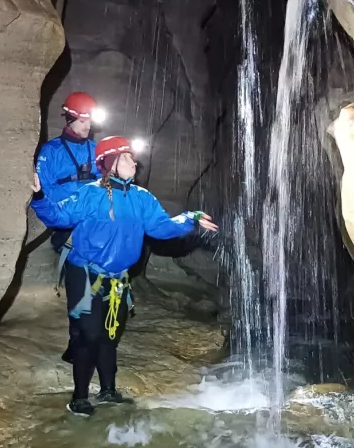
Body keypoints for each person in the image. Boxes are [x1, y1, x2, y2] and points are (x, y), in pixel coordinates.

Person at [30, 136, 219, 416]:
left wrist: (190, 218)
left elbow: (162, 228)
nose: (134, 162)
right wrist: (39, 197)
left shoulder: (142, 198)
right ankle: (79, 397)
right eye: (127, 157)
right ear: (109, 163)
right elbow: (59, 217)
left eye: (132, 157)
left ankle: (108, 390)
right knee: (89, 335)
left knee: (110, 335)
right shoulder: (91, 194)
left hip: (118, 278)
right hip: (85, 273)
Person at [35, 92, 102, 363]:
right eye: (84, 121)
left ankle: (93, 337)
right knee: (79, 286)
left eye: (90, 122)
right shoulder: (50, 153)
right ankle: (77, 341)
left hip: (96, 227)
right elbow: (46, 193)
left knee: (100, 285)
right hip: (68, 228)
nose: (88, 127)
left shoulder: (95, 149)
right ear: (71, 117)